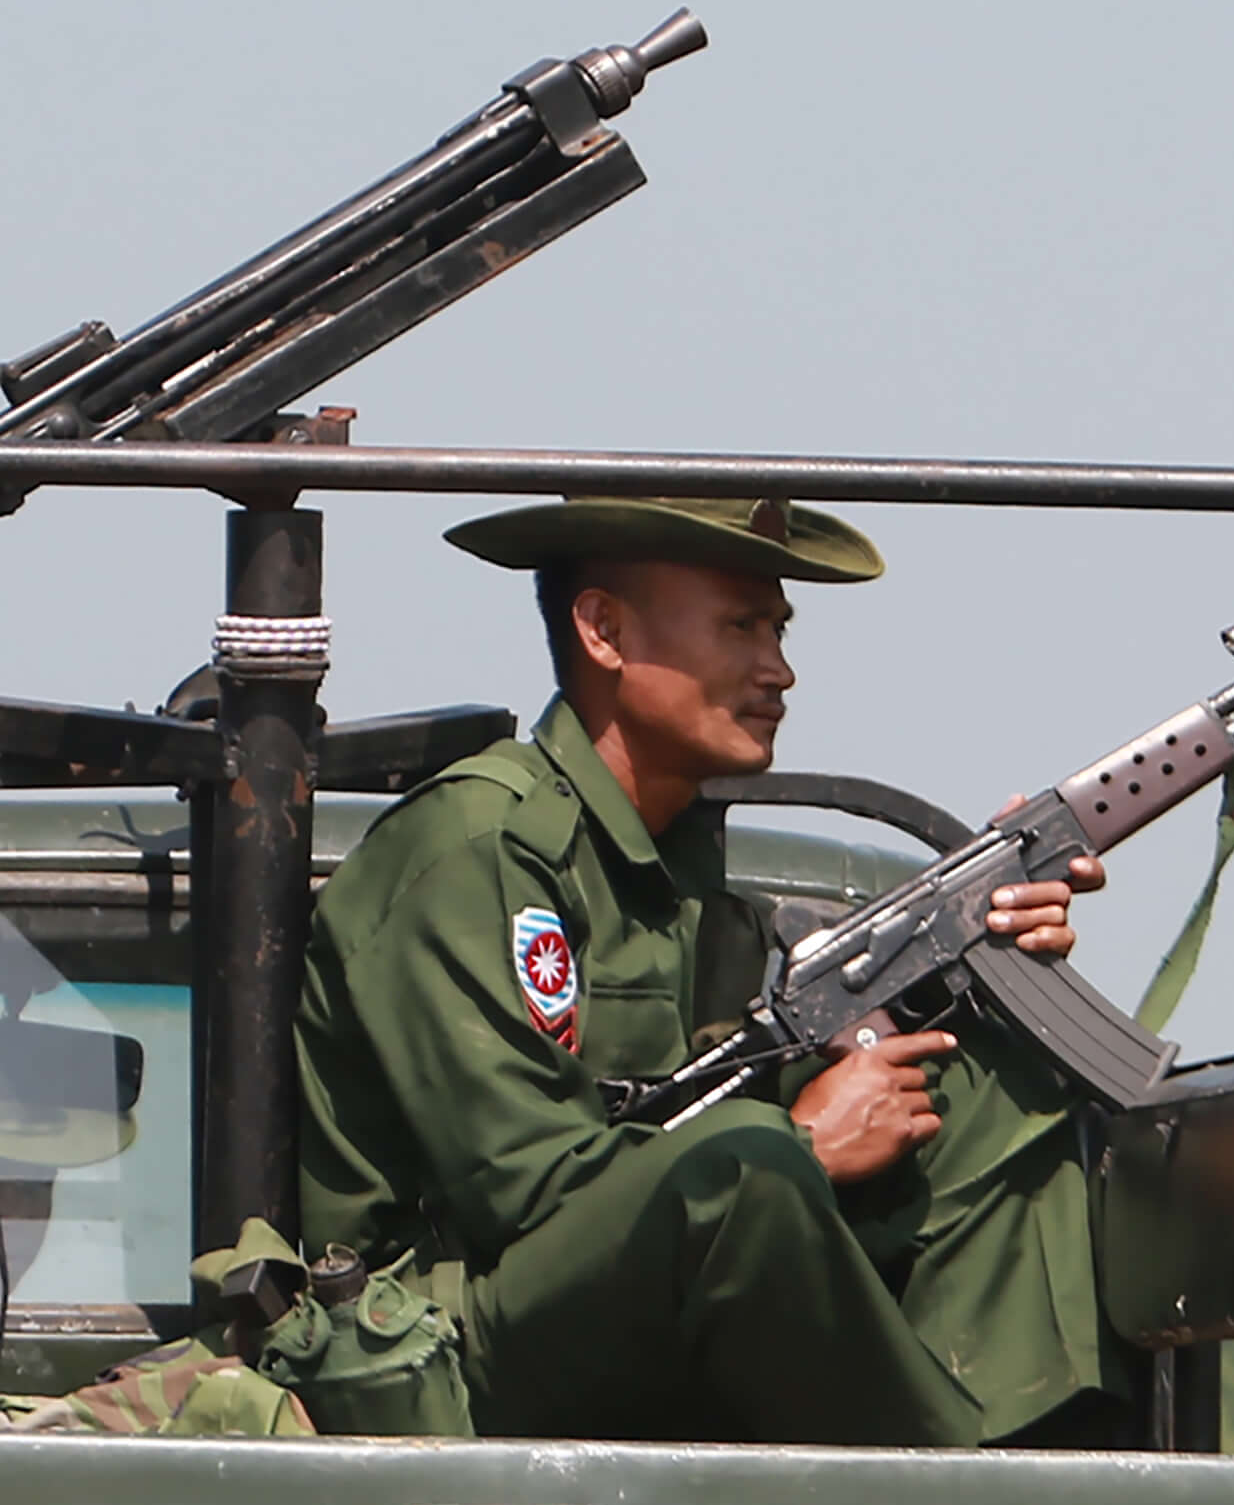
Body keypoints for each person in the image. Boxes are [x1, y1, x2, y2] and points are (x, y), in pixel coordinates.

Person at [293, 495, 1116, 1446]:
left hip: (619, 1298)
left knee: (977, 1087)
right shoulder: (480, 847)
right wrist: (803, 1145)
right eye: (740, 626)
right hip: (444, 1342)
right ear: (603, 631)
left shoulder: (670, 858)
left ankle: (1033, 1461)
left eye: (778, 629)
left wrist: (981, 944)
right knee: (748, 1169)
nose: (779, 669)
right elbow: (530, 1194)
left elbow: (702, 1090)